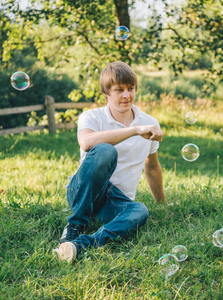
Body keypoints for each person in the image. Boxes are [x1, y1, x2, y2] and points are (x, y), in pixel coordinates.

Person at [54, 61, 166, 263]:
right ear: (106, 94)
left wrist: (162, 203)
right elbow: (86, 142)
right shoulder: (91, 116)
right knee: (106, 150)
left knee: (140, 210)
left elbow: (152, 166)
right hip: (83, 192)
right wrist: (134, 131)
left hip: (115, 201)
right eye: (119, 90)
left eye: (131, 89)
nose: (127, 95)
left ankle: (80, 245)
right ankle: (76, 224)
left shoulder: (149, 123)